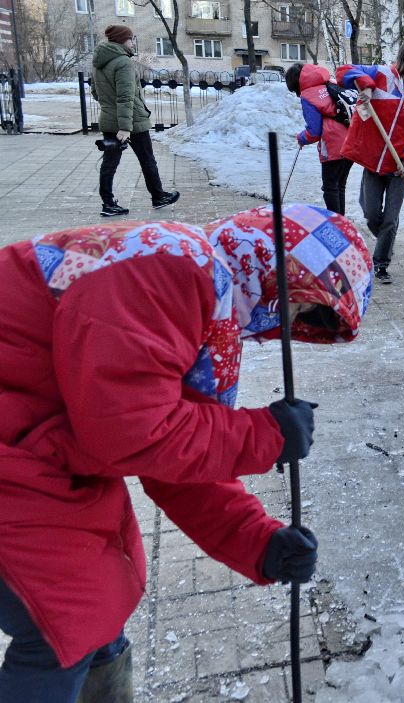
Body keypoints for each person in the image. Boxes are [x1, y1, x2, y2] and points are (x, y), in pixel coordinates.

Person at [0, 204, 373, 701]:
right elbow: (134, 433)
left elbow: (171, 452)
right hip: (19, 450)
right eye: (300, 307)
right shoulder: (174, 266)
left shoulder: (206, 302)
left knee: (99, 596)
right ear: (281, 273)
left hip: (34, 447)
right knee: (67, 617)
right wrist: (262, 436)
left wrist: (258, 542)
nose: (288, 322)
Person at [337, 41, 404, 284]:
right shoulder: (382, 75)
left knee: (391, 219)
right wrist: (366, 86)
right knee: (372, 214)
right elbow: (344, 70)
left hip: (398, 166)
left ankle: (381, 263)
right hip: (373, 162)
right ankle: (386, 241)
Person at [91, 24, 180, 218]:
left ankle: (108, 203)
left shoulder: (98, 62)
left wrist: (110, 110)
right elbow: (125, 97)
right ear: (122, 40)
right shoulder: (123, 62)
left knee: (110, 163)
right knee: (147, 159)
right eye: (131, 39)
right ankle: (158, 197)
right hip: (132, 121)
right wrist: (124, 127)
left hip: (110, 119)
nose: (133, 42)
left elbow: (95, 93)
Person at [285, 63, 353, 216]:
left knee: (330, 188)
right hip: (351, 139)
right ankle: (342, 224)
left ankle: (336, 226)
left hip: (333, 145)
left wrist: (301, 138)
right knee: (340, 185)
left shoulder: (308, 95)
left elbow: (314, 132)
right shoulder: (330, 82)